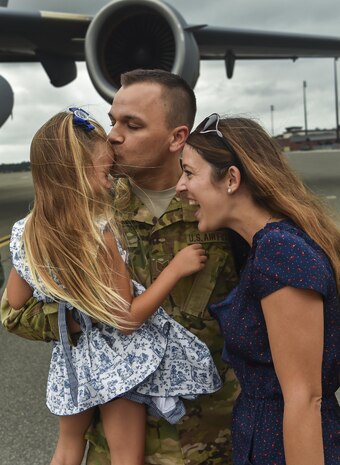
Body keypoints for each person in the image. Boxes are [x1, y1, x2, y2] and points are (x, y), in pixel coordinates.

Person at [1, 70, 245, 465]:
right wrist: (84, 319)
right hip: (115, 436)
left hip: (211, 438)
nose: (113, 134)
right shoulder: (89, 208)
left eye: (131, 124)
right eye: (113, 119)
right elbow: (14, 312)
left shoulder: (218, 205)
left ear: (177, 138)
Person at [176, 113, 340, 465]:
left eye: (189, 173)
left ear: (231, 179)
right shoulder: (266, 245)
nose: (180, 186)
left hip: (285, 446)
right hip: (266, 438)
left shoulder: (279, 252)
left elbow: (304, 398)